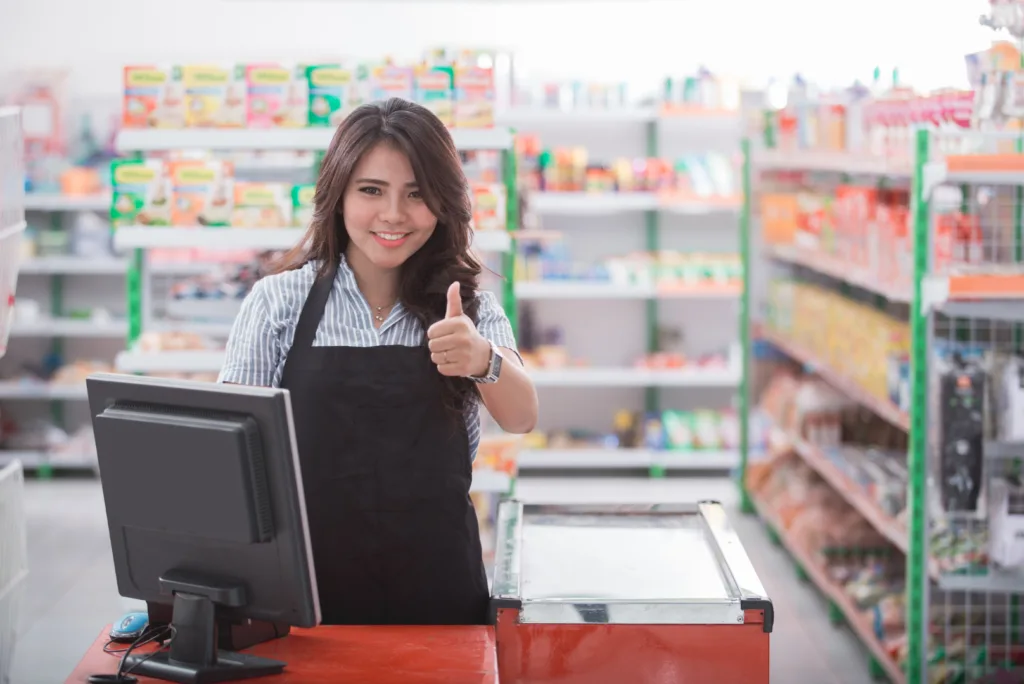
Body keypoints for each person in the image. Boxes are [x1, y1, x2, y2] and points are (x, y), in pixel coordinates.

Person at [218, 98, 538, 626]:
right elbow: (231, 456)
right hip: (305, 598)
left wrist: (482, 359)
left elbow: (523, 415)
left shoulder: (469, 308)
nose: (393, 214)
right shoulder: (278, 303)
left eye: (417, 194)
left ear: (443, 204)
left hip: (440, 595)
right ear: (337, 194)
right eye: (372, 191)